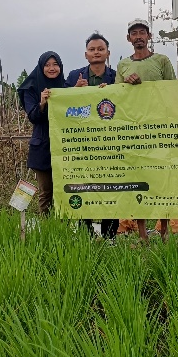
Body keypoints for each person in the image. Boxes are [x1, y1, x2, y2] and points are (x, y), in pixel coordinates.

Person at [117, 18, 176, 240]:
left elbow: (173, 91)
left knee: (163, 179)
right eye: (134, 33)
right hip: (135, 130)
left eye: (142, 32)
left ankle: (164, 229)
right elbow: (117, 96)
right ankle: (142, 233)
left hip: (160, 128)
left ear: (149, 36)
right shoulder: (123, 65)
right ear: (128, 38)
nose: (138, 36)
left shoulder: (161, 61)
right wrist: (125, 82)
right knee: (139, 179)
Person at [66, 32, 119, 238]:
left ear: (108, 53)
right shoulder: (73, 77)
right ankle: (85, 232)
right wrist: (74, 91)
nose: (96, 52)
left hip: (111, 142)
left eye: (100, 49)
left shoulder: (115, 77)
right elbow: (63, 106)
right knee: (83, 183)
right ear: (85, 54)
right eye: (92, 49)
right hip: (83, 141)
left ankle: (110, 234)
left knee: (113, 185)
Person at [18, 51, 67, 215]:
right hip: (43, 147)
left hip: (65, 145)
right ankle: (47, 228)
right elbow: (33, 116)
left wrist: (79, 91)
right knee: (46, 192)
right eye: (47, 65)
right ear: (41, 67)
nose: (52, 68)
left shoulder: (65, 86)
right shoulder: (30, 88)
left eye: (55, 64)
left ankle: (63, 227)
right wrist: (42, 103)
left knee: (65, 190)